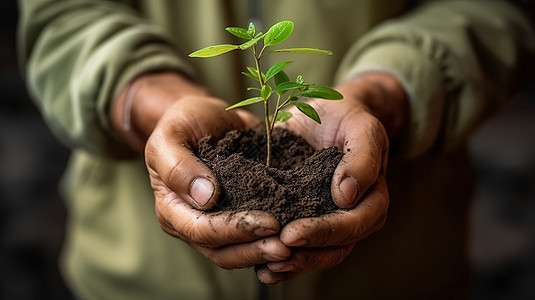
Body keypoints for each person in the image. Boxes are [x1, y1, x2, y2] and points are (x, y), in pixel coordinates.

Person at [18, 0, 534, 299]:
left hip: (392, 278)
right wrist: (152, 99)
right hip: (142, 280)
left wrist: (385, 96)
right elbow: (64, 17)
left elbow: (494, 11)